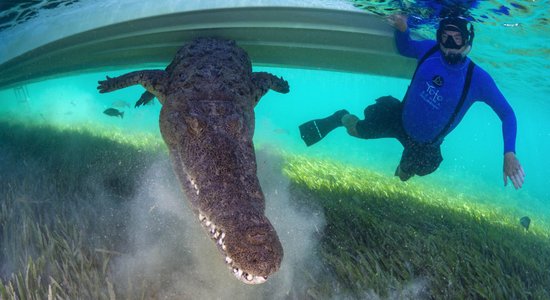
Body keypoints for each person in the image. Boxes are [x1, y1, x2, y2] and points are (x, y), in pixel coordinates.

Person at [298, 14, 525, 189]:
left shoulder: (478, 79)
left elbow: (507, 114)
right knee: (355, 131)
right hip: (399, 118)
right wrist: (402, 28)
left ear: (468, 42)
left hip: (427, 145)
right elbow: (405, 47)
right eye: (446, 37)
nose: (451, 44)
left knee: (404, 176)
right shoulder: (430, 51)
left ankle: (406, 164)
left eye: (458, 39)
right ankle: (341, 117)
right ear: (439, 37)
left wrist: (509, 153)